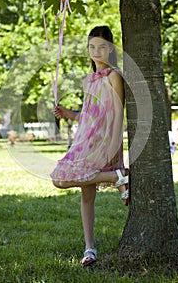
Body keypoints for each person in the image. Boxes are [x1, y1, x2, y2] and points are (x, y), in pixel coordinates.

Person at [51, 25, 128, 267]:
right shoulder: (88, 80)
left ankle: (118, 174)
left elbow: (117, 113)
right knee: (73, 186)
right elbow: (88, 115)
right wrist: (68, 114)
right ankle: (89, 248)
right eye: (92, 47)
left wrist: (113, 145)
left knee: (67, 181)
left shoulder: (114, 76)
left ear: (110, 49)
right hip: (85, 139)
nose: (96, 51)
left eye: (102, 47)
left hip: (104, 141)